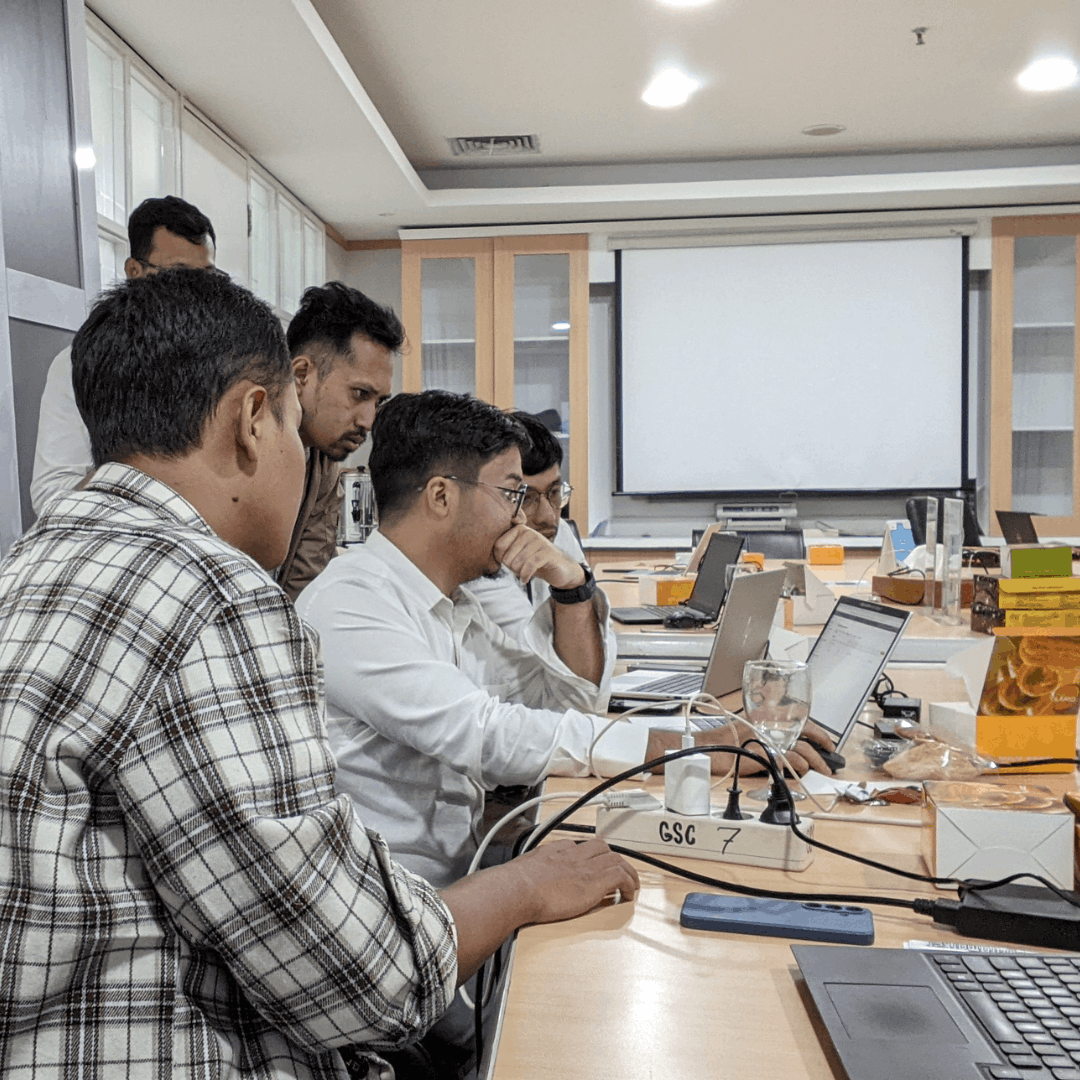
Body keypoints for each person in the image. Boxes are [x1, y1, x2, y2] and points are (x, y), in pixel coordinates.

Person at [0, 272, 640, 1080]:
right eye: (295, 425)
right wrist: (529, 885)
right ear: (253, 419)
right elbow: (368, 982)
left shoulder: (29, 567)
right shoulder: (211, 597)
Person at [296, 390, 839, 890]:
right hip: (399, 906)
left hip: (455, 880)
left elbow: (563, 702)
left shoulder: (452, 605)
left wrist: (572, 588)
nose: (523, 517)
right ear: (441, 496)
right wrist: (694, 750)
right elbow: (486, 735)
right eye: (512, 494)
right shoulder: (351, 603)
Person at [30, 195, 219, 514]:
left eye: (207, 278)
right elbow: (51, 496)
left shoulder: (223, 362)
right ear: (135, 271)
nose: (196, 293)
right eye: (180, 275)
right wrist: (143, 466)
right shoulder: (81, 365)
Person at [277, 281, 399, 598]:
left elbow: (303, 586)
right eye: (360, 394)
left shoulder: (322, 465)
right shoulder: (238, 450)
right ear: (301, 375)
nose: (369, 421)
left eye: (378, 402)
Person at [465, 409, 588, 641]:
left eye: (554, 492)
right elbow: (535, 649)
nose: (548, 516)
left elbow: (602, 643)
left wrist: (576, 585)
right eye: (526, 497)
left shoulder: (557, 531)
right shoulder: (479, 556)